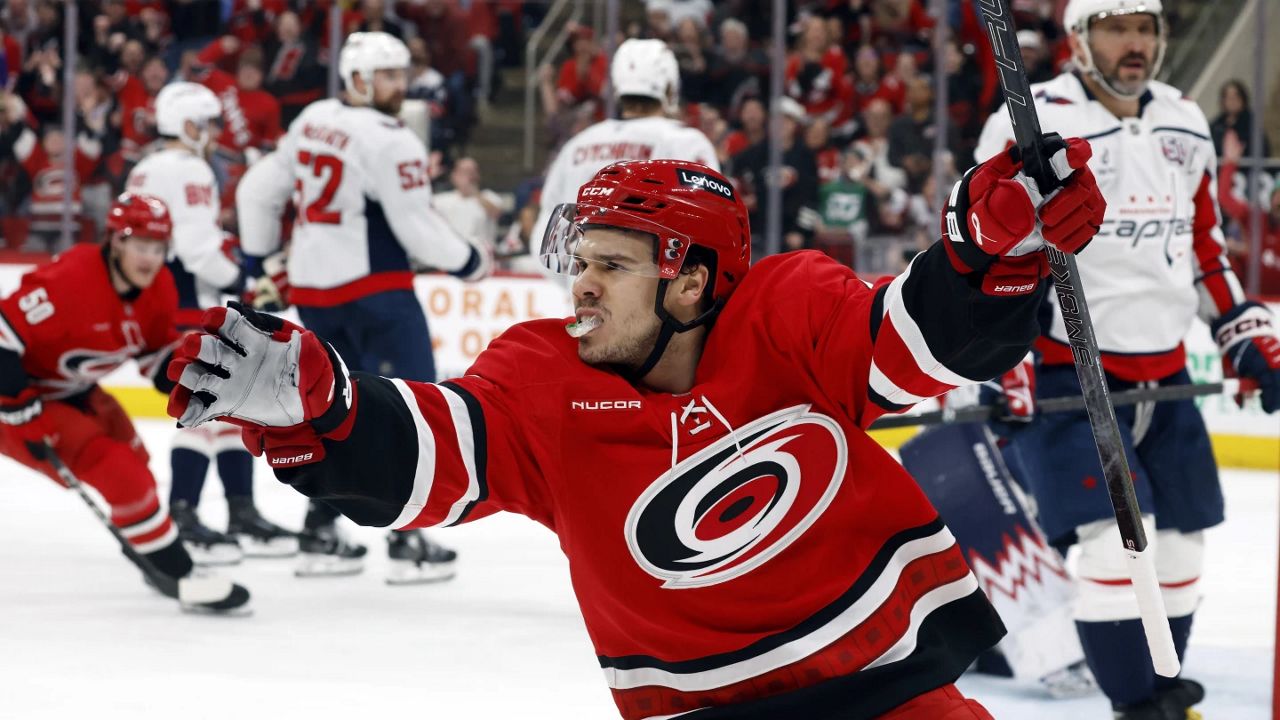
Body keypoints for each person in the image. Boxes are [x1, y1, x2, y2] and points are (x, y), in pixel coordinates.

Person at [168, 142, 1106, 717]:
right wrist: (321, 404)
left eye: (611, 265)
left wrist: (989, 256)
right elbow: (432, 452)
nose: (580, 284)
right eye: (581, 261)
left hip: (896, 696)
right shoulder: (542, 380)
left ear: (691, 280)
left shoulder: (785, 313)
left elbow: (910, 344)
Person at [973, 1, 1280, 718]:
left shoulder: (1184, 117)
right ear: (1079, 40)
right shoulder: (1032, 119)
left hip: (1165, 370)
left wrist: (1241, 328)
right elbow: (992, 250)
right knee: (1115, 552)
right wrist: (1003, 350)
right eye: (1117, 28)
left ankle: (1162, 692)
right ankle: (1135, 705)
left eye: (1146, 28)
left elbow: (1203, 244)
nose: (1134, 43)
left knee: (1179, 555)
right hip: (1069, 372)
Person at [235, 31, 491, 583]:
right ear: (358, 79)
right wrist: (471, 260)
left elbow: (257, 191)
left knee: (331, 410)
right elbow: (416, 227)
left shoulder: (312, 119)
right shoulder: (391, 138)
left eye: (401, 74)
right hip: (377, 291)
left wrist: (257, 262)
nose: (400, 85)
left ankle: (319, 531)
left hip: (314, 293)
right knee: (417, 407)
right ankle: (407, 540)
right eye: (389, 76)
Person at [0, 193, 249, 614]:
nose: (149, 258)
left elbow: (153, 360)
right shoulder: (73, 278)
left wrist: (200, 381)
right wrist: (13, 401)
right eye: (139, 245)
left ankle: (147, 549)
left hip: (76, 391)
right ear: (115, 241)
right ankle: (178, 572)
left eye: (157, 248)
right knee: (119, 473)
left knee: (137, 461)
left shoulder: (159, 288)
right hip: (22, 399)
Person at [127, 81, 297, 566]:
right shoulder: (188, 168)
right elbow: (198, 245)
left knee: (223, 407)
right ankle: (185, 512)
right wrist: (245, 279)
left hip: (158, 297)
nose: (213, 133)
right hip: (185, 297)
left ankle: (239, 511)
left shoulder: (145, 168)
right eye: (206, 123)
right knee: (206, 405)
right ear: (186, 124)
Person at [527, 38, 718, 264]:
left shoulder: (577, 145)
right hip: (651, 294)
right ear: (669, 87)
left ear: (617, 85)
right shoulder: (685, 143)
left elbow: (547, 240)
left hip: (582, 291)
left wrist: (578, 279)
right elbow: (707, 229)